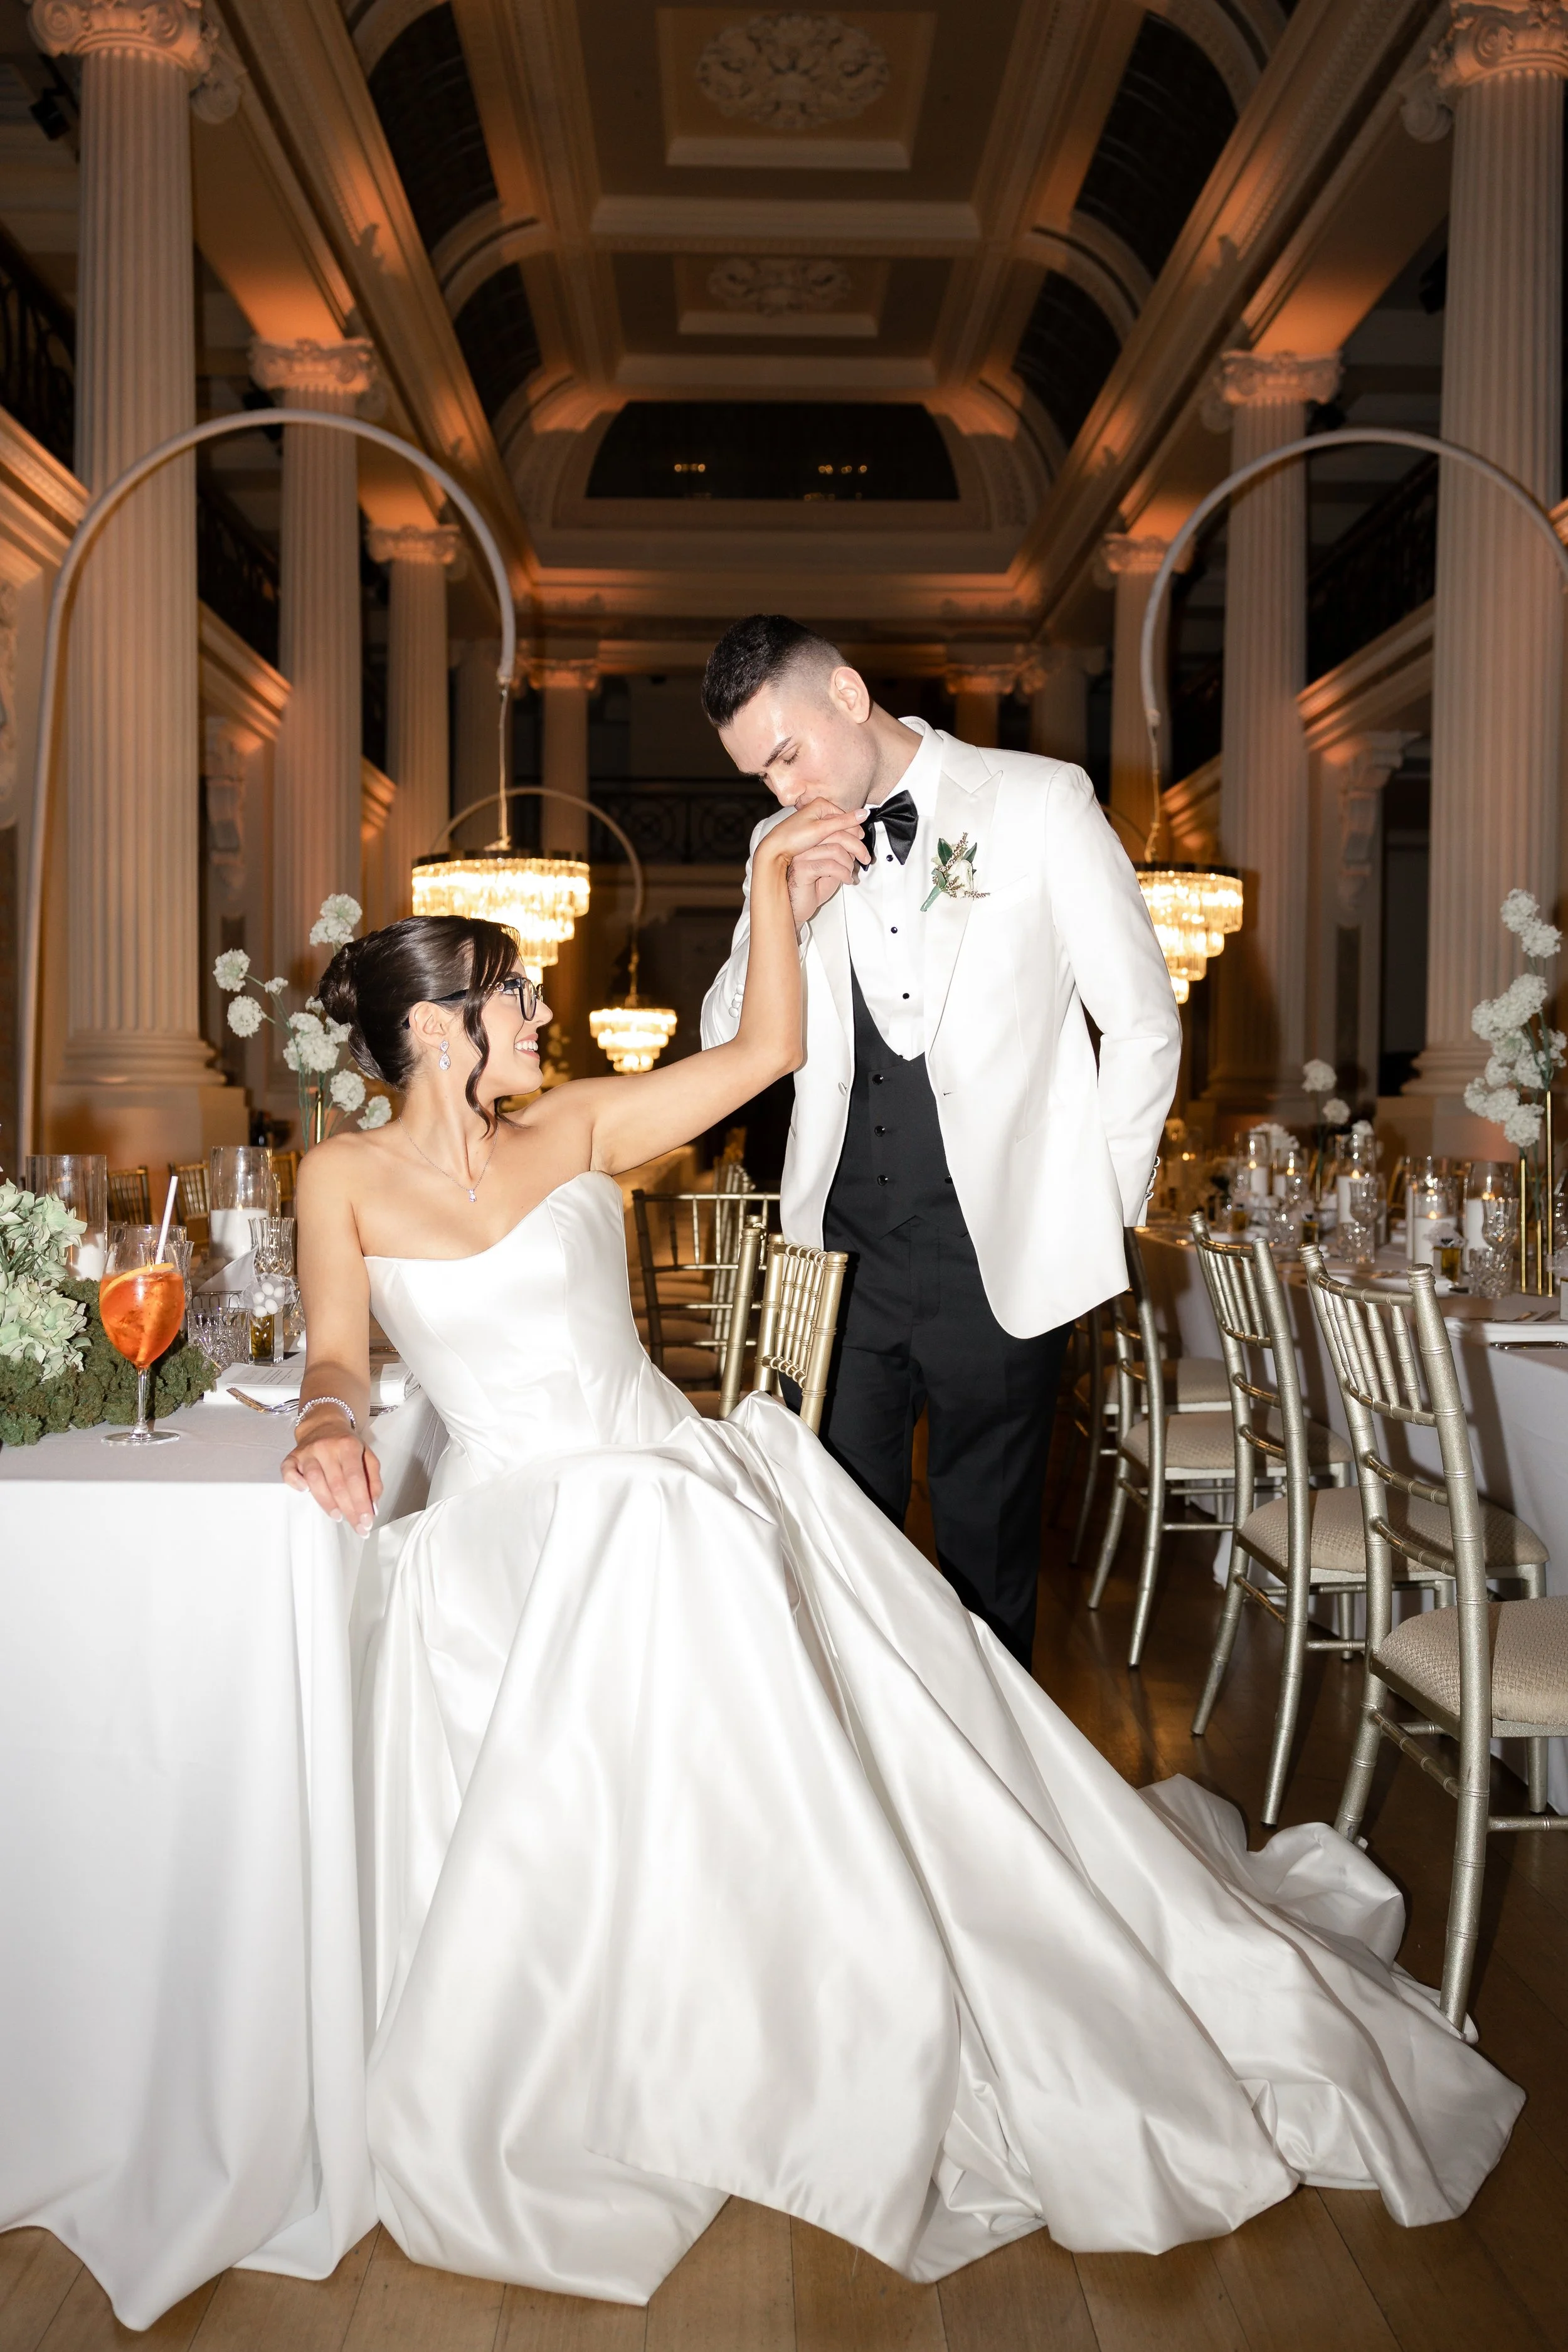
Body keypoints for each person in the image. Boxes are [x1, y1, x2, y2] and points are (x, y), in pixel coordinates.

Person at [281, 856, 1520, 2311]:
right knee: (561, 1612)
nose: (541, 1007)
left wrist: (764, 890)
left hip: (665, 1493)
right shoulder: (338, 1176)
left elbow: (768, 1053)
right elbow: (341, 1354)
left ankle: (796, 2025)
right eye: (511, 996)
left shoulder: (578, 1122)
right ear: (438, 1032)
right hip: (507, 1518)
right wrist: (318, 1417)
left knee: (661, 1567)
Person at [699, 615, 1182, 1666]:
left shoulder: (1040, 801)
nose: (781, 792)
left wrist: (1090, 1213)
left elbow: (1143, 1023)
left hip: (999, 1258)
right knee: (839, 1554)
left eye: (786, 755)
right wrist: (782, 904)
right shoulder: (775, 849)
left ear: (847, 694)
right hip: (839, 1261)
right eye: (758, 776)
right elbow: (727, 1042)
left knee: (989, 1566)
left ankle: (997, 1810)